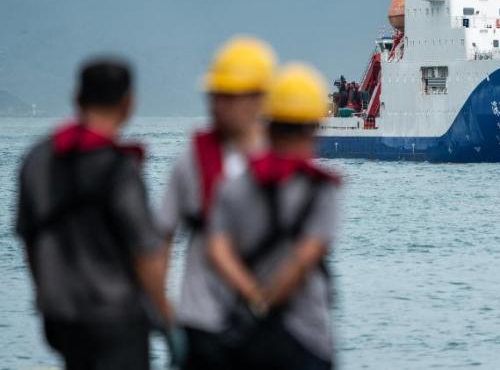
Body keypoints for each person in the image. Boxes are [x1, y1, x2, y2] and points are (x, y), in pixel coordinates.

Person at [16, 59, 171, 370]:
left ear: (77, 98)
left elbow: (30, 240)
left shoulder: (37, 159)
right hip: (116, 317)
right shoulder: (119, 167)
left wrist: (46, 297)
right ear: (128, 104)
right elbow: (145, 251)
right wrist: (166, 316)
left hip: (62, 318)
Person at [208, 63, 340, 369]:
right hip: (307, 334)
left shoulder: (234, 185)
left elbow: (218, 249)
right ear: (314, 127)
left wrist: (251, 294)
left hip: (245, 330)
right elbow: (306, 256)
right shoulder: (322, 189)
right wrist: (268, 300)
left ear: (266, 124)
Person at [155, 36, 276, 369]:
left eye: (230, 97)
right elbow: (162, 239)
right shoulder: (192, 162)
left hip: (265, 321)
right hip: (201, 320)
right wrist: (163, 309)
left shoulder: (281, 164)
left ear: (259, 98)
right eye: (215, 96)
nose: (218, 105)